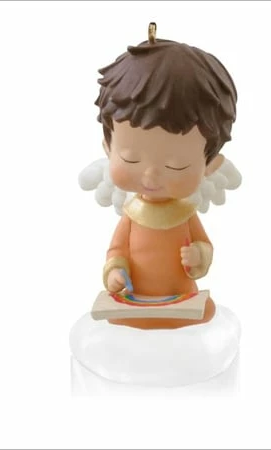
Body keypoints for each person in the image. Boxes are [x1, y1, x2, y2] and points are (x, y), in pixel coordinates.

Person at [94, 34, 238, 329]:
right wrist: (115, 272)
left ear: (209, 165)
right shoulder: (132, 215)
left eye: (176, 165)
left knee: (204, 312)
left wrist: (198, 256)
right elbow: (117, 251)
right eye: (131, 159)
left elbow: (203, 245)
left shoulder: (185, 214)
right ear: (108, 148)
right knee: (111, 318)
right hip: (136, 296)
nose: (150, 176)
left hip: (179, 295)